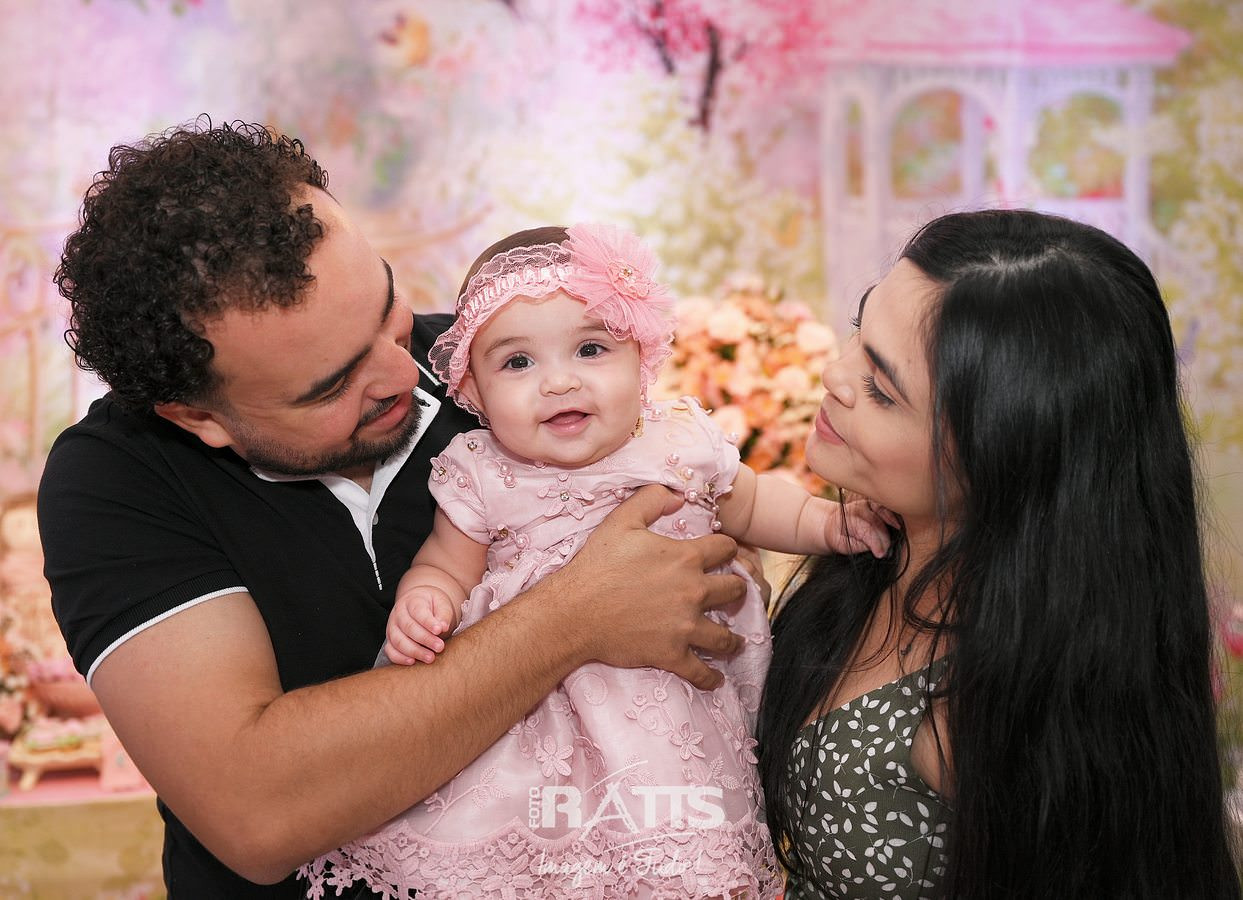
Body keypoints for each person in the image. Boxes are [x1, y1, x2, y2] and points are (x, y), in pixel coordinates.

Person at [38, 119, 759, 899]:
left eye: (386, 307)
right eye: (332, 384)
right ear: (197, 416)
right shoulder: (119, 478)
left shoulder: (506, 373)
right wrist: (572, 618)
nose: (402, 373)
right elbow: (258, 810)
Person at [300, 223, 892, 898]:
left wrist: (828, 522)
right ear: (474, 390)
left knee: (686, 849)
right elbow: (445, 563)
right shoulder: (481, 471)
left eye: (590, 349)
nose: (558, 382)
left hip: (674, 708)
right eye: (516, 363)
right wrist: (424, 600)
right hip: (537, 713)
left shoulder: (678, 441)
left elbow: (754, 504)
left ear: (640, 358)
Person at [756, 209, 1243, 899]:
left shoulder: (1005, 707)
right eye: (859, 330)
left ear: (1002, 459)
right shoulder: (869, 548)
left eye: (881, 390)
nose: (834, 374)